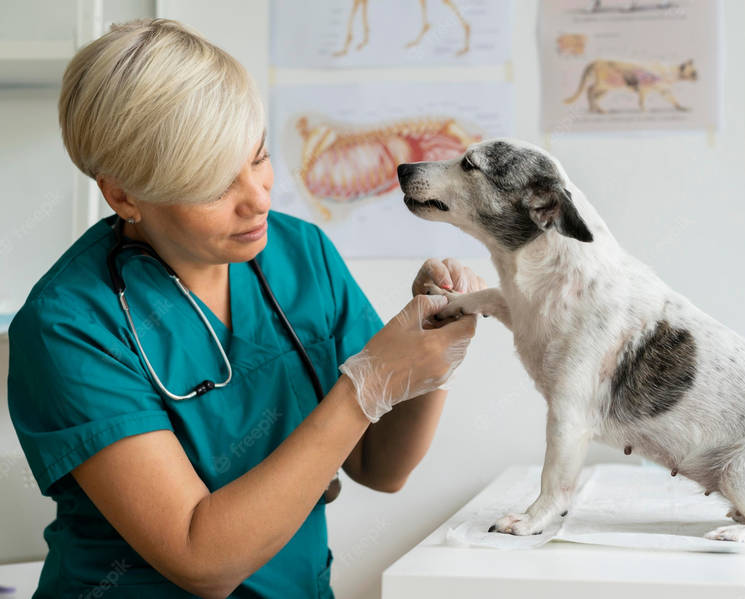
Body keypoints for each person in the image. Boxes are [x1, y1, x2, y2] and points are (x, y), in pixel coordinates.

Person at [7, 18, 481, 598]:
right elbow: (200, 558)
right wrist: (366, 384)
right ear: (123, 193)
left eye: (257, 158)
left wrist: (432, 348)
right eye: (211, 186)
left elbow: (381, 469)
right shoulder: (70, 326)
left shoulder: (299, 253)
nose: (258, 198)